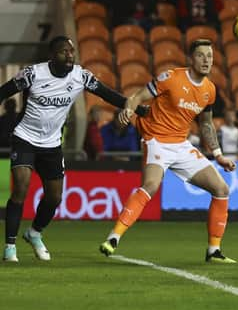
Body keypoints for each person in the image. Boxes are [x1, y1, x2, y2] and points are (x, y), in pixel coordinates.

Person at [1, 36, 147, 262]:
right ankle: (10, 246)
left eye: (71, 51)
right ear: (52, 55)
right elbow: (4, 91)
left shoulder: (81, 76)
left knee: (55, 197)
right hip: (25, 138)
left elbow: (108, 95)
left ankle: (34, 233)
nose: (69, 55)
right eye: (63, 51)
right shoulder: (33, 74)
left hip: (51, 144)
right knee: (21, 187)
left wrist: (137, 108)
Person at [99, 39, 237, 263]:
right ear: (191, 59)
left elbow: (206, 124)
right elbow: (137, 97)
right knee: (151, 185)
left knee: (221, 188)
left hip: (181, 145)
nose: (206, 60)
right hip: (156, 140)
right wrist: (128, 110)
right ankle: (113, 238)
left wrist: (218, 154)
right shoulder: (171, 77)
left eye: (210, 56)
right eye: (201, 55)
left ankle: (214, 250)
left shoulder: (210, 90)